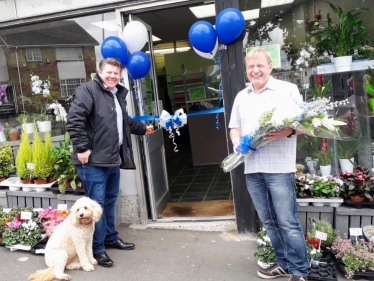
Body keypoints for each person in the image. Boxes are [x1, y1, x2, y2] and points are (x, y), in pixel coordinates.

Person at [229, 48, 308, 281]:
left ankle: (299, 271)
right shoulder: (241, 97)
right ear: (246, 70)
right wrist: (237, 144)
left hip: (280, 168)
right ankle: (283, 264)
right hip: (252, 169)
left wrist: (287, 131)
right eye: (251, 67)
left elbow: (305, 125)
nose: (255, 70)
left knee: (287, 222)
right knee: (269, 222)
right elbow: (234, 127)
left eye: (259, 65)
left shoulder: (287, 90)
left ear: (270, 66)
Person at [67, 57, 153, 268]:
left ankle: (110, 238)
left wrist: (143, 129)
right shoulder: (88, 91)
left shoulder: (116, 94)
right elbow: (74, 119)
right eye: (109, 72)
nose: (113, 76)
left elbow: (124, 122)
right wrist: (82, 148)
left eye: (116, 73)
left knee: (109, 201)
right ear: (100, 72)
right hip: (93, 160)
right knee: (94, 207)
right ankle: (97, 250)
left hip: (112, 159)